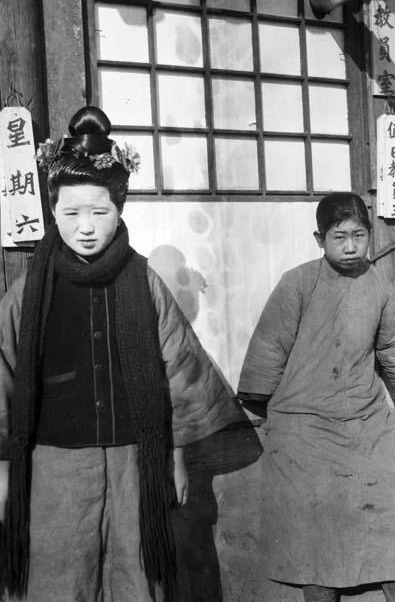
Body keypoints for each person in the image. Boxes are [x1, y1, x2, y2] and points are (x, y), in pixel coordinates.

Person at [0, 105, 239, 601]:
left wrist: (174, 456)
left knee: (135, 573)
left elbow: (179, 372)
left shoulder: (143, 280)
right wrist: (4, 469)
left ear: (120, 209)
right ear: (52, 211)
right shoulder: (30, 291)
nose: (85, 226)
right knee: (59, 575)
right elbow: (2, 375)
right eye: (71, 213)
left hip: (135, 458)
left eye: (99, 211)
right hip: (54, 465)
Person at [237, 192, 395, 602]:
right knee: (317, 541)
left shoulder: (376, 283)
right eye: (340, 237)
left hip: (366, 417)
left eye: (359, 235)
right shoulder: (297, 283)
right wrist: (269, 417)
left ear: (370, 235)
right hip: (303, 422)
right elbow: (268, 350)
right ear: (319, 239)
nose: (352, 246)